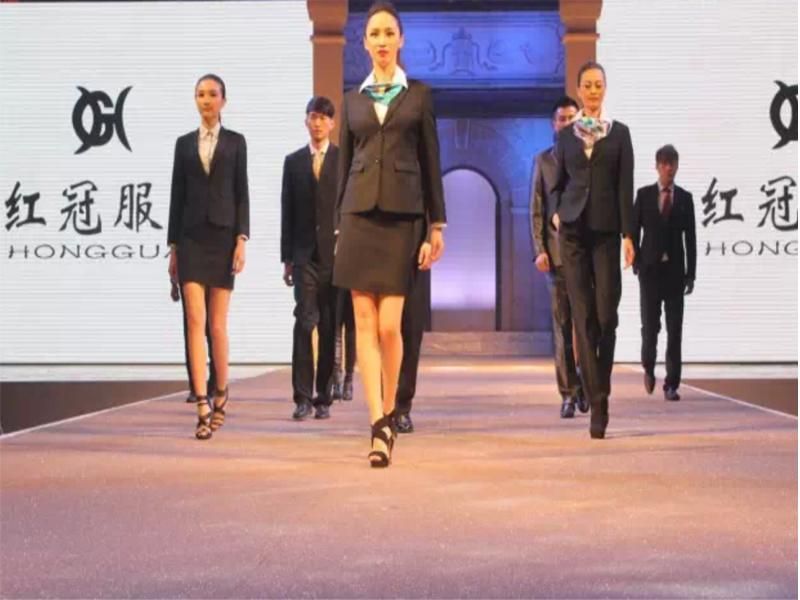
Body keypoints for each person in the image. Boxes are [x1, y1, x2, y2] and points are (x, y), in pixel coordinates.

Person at [333, 0, 446, 467]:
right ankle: (378, 425)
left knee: (388, 325)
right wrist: (338, 225)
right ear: (364, 43)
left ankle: (394, 405)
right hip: (358, 215)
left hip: (403, 218)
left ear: (401, 40)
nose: (381, 40)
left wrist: (436, 225)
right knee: (363, 322)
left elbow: (431, 162)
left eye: (389, 33)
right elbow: (345, 165)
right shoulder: (352, 99)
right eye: (374, 34)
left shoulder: (418, 95)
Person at [552, 61, 635, 439]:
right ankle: (598, 404)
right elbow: (558, 183)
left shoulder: (619, 134)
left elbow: (625, 187)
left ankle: (599, 384)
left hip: (605, 232)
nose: (593, 91)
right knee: (582, 318)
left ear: (605, 88)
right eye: (587, 85)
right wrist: (556, 213)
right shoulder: (567, 135)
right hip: (572, 232)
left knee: (606, 317)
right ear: (579, 89)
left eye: (598, 84)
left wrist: (629, 235)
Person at [167, 73, 249, 440]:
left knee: (217, 324)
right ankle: (201, 402)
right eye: (200, 94)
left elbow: (242, 193)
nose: (206, 100)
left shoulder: (236, 142)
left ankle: (221, 392)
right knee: (194, 321)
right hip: (190, 240)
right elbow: (176, 196)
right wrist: (173, 248)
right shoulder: (183, 144)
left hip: (222, 238)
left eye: (212, 94)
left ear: (223, 101)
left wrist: (241, 240)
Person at [280, 96, 340, 420]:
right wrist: (287, 258)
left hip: (335, 256)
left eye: (323, 118)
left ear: (332, 123)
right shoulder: (293, 162)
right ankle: (301, 397)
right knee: (304, 323)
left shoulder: (343, 160)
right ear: (306, 121)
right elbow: (287, 211)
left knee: (329, 327)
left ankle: (323, 398)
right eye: (313, 117)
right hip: (303, 256)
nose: (317, 123)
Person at [530, 95, 589, 419]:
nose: (566, 124)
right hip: (556, 256)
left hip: (587, 254)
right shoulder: (543, 161)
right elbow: (536, 208)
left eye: (571, 118)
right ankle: (568, 393)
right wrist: (539, 250)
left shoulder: (590, 157)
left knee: (588, 326)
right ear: (553, 124)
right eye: (562, 119)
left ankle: (586, 382)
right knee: (562, 327)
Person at [633, 144, 696, 401]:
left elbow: (690, 239)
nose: (669, 168)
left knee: (674, 329)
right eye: (665, 164)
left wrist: (691, 274)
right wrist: (637, 262)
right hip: (649, 272)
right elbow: (633, 231)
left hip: (674, 273)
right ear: (657, 166)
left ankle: (671, 384)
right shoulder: (644, 195)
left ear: (677, 166)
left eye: (673, 164)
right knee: (650, 327)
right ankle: (648, 366)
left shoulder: (685, 198)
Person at [332, 288, 356, 402]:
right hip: (335, 284)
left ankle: (348, 380)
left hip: (353, 285)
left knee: (351, 332)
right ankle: (337, 379)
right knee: (335, 330)